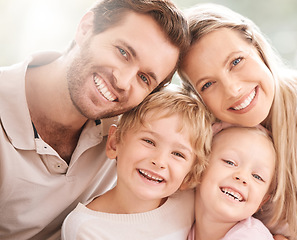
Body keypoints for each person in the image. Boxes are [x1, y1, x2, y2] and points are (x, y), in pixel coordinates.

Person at [0, 0, 189, 239]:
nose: (122, 81)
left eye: (144, 78)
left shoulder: (130, 134)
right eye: (123, 52)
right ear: (86, 28)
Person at [178, 3, 297, 239]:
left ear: (256, 47)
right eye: (207, 84)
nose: (233, 89)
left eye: (236, 62)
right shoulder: (212, 148)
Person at [61, 89, 213, 240]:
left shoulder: (189, 202)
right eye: (149, 141)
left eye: (178, 154)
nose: (159, 161)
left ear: (191, 174)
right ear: (114, 144)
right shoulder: (85, 228)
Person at [188, 126, 276, 240]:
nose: (242, 177)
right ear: (200, 167)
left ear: (263, 201)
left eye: (257, 177)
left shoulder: (251, 237)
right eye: (230, 162)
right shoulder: (181, 228)